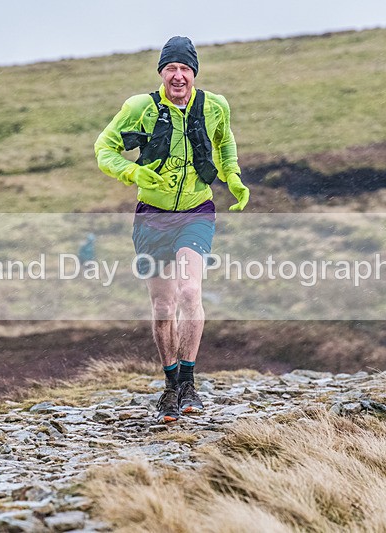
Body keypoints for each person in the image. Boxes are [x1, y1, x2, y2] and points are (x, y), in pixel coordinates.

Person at [95, 36, 249, 423]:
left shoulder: (215, 105)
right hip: (151, 217)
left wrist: (232, 177)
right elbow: (104, 147)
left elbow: (224, 141)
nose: (178, 76)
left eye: (185, 68)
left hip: (197, 211)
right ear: (162, 72)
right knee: (163, 305)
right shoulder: (140, 107)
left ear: (194, 71)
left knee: (189, 291)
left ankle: (189, 382)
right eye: (171, 68)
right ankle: (169, 388)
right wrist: (131, 171)